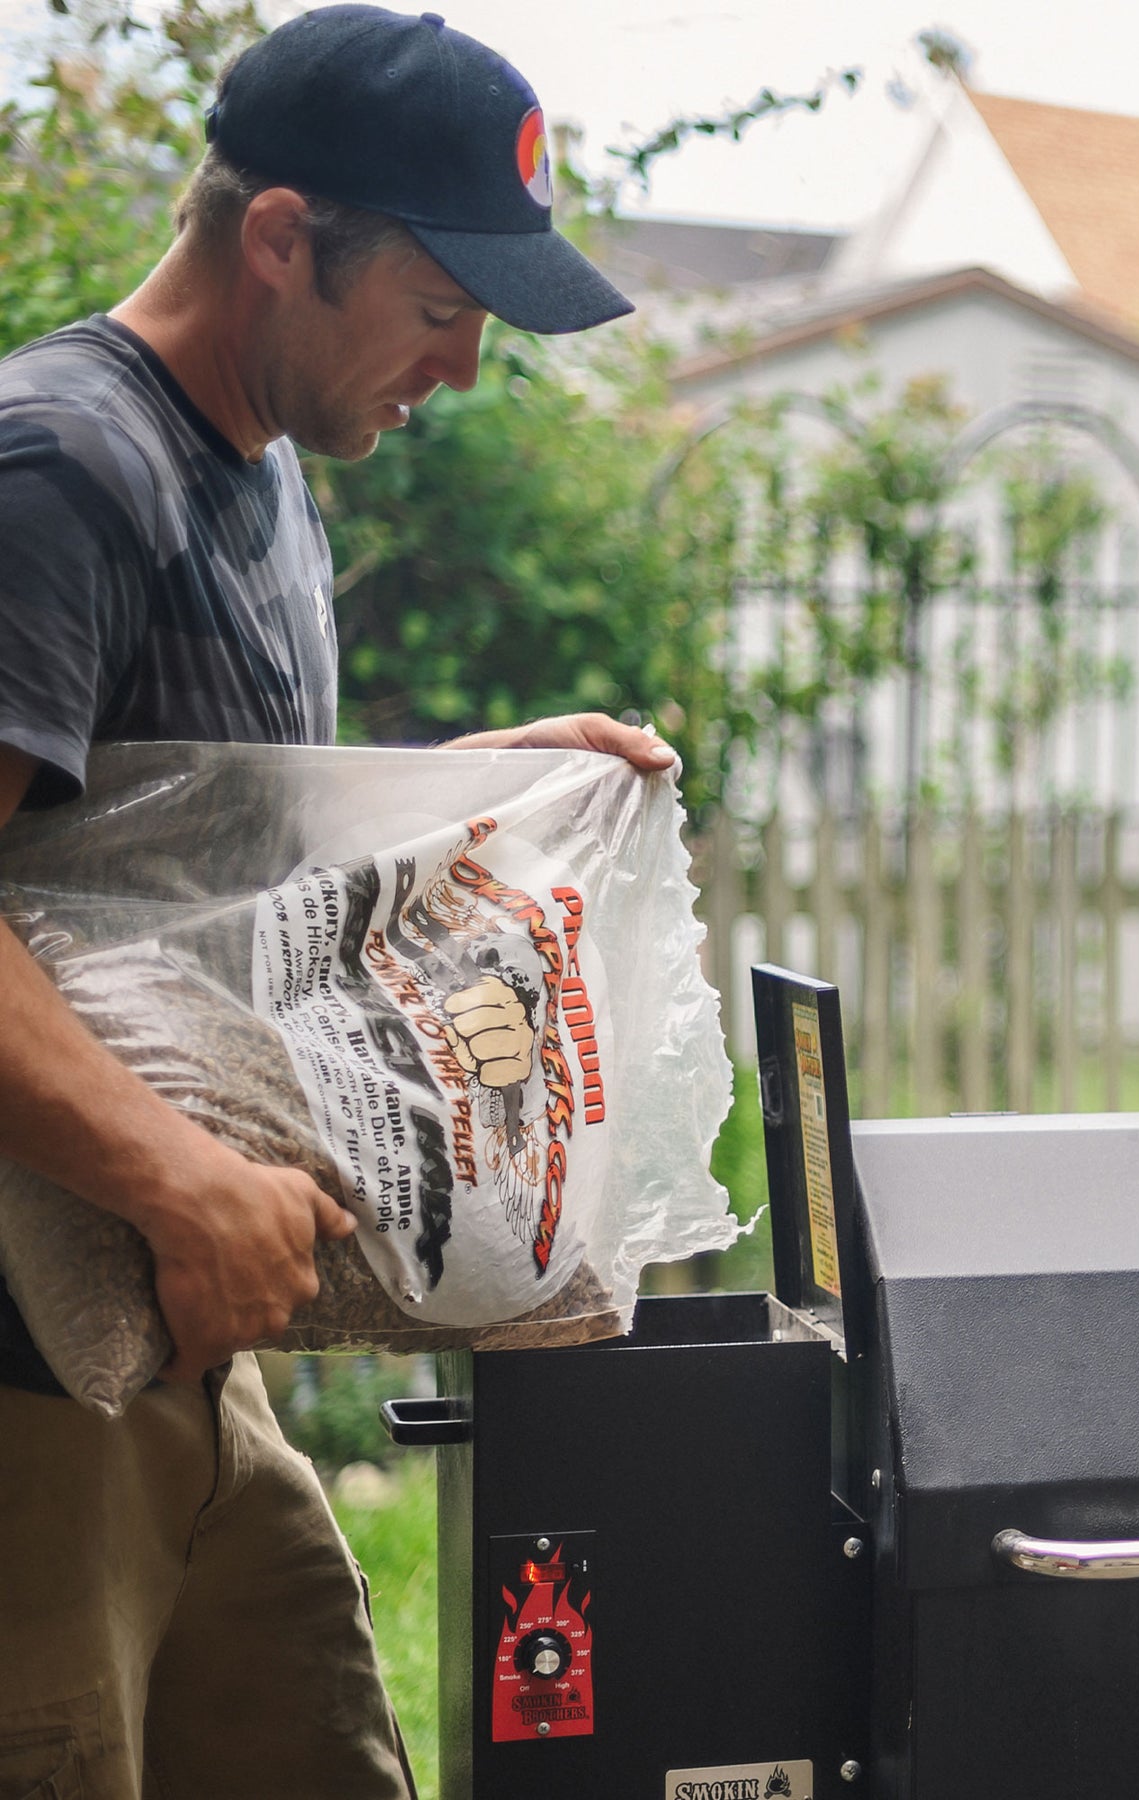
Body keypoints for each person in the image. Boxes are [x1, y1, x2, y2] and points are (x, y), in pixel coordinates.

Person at [0, 9, 669, 1796]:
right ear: (284, 240)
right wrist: (179, 1180)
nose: (463, 366)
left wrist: (466, 788)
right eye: (440, 307)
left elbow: (176, 868)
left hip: (171, 1352)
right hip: (25, 1390)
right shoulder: (59, 467)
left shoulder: (262, 472)